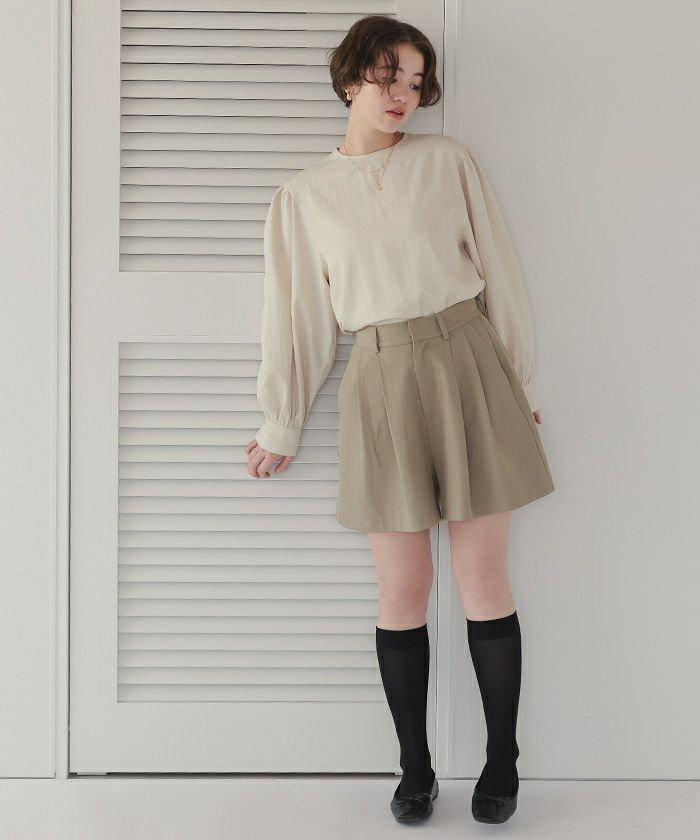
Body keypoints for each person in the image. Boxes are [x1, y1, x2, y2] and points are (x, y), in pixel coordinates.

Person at [246, 14, 555, 827]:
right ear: (351, 77)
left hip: (470, 362)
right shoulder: (304, 197)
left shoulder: (448, 161)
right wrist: (281, 422)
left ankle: (501, 759)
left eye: (416, 83)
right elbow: (298, 319)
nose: (402, 95)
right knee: (403, 588)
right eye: (389, 76)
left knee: (484, 580)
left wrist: (517, 378)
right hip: (380, 377)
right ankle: (415, 767)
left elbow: (500, 271)